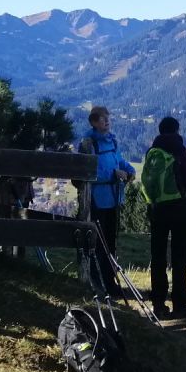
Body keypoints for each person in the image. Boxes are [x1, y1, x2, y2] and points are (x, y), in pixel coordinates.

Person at [78, 106, 135, 296]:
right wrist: (113, 173)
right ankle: (97, 281)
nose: (107, 122)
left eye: (108, 118)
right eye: (103, 119)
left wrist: (130, 170)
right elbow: (89, 170)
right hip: (97, 200)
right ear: (94, 122)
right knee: (98, 243)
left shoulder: (111, 141)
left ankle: (110, 282)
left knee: (111, 243)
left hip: (113, 199)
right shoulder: (89, 143)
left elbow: (118, 160)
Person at [145, 116, 186, 317]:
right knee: (179, 257)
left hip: (157, 210)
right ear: (176, 130)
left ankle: (158, 303)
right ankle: (180, 304)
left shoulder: (152, 152)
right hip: (179, 210)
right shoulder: (180, 150)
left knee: (158, 257)